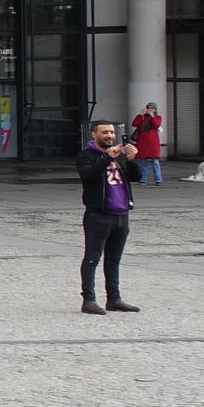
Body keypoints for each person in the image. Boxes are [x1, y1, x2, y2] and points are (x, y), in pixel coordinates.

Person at [78, 120, 143, 315]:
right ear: (94, 135)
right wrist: (106, 158)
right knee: (92, 258)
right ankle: (88, 300)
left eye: (112, 132)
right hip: (98, 214)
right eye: (104, 132)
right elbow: (88, 176)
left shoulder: (119, 155)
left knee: (114, 259)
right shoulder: (86, 155)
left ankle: (114, 298)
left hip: (121, 214)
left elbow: (136, 177)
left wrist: (132, 160)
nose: (109, 136)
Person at [130, 103, 164, 185]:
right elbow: (134, 124)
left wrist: (152, 117)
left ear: (155, 109)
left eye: (152, 108)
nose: (150, 110)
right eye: (149, 108)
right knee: (142, 162)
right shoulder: (143, 117)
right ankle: (143, 179)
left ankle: (158, 180)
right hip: (142, 142)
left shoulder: (158, 117)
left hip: (153, 143)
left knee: (155, 162)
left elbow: (157, 125)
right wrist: (140, 115)